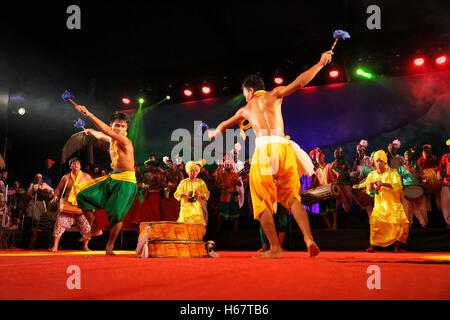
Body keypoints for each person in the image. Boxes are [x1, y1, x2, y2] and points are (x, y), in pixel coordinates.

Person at [208, 50, 333, 258]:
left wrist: (214, 132)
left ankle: (274, 249)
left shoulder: (245, 109)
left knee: (261, 200)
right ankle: (309, 239)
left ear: (249, 91)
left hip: (264, 152)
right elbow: (299, 83)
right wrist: (320, 64)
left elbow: (222, 126)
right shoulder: (274, 95)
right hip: (283, 148)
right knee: (293, 198)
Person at [74, 107, 138, 256]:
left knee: (116, 214)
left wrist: (89, 114)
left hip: (126, 182)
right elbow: (102, 135)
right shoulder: (112, 139)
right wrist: (91, 132)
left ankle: (110, 246)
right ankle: (95, 228)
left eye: (123, 126)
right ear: (112, 125)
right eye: (117, 125)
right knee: (82, 196)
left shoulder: (124, 141)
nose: (120, 129)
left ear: (127, 128)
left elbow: (107, 133)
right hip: (112, 178)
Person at [365, 150, 409, 253]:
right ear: (374, 163)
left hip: (393, 203)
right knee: (375, 222)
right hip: (380, 204)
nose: (379, 163)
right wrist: (370, 187)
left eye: (381, 161)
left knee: (403, 223)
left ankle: (398, 247)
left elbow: (398, 185)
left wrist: (383, 184)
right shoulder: (371, 175)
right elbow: (369, 192)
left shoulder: (393, 172)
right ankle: (372, 246)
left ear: (385, 162)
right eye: (377, 161)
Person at [49, 158, 93, 252]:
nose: (76, 164)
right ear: (70, 166)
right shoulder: (66, 177)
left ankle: (85, 246)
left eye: (78, 163)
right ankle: (55, 246)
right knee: (59, 223)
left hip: (82, 205)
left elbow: (93, 190)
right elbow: (58, 189)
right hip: (68, 205)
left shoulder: (87, 177)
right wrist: (56, 195)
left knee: (87, 226)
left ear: (80, 166)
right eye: (74, 163)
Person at [397, 150, 428, 228]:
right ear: (404, 157)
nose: (407, 156)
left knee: (420, 208)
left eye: (409, 155)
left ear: (411, 156)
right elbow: (399, 179)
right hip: (406, 189)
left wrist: (425, 181)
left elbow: (421, 177)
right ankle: (408, 226)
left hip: (417, 188)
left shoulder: (416, 166)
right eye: (406, 155)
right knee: (407, 209)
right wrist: (401, 188)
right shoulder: (401, 168)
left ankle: (424, 224)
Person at [174, 161, 210, 227]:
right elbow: (176, 194)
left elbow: (207, 194)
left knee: (197, 229)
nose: (195, 172)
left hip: (197, 211)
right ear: (188, 172)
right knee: (184, 228)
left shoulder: (201, 182)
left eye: (196, 170)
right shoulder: (183, 182)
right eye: (192, 170)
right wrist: (186, 194)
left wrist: (200, 195)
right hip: (185, 211)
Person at [216, 158, 242, 231]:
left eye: (229, 164)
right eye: (226, 164)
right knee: (221, 213)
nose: (228, 165)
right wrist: (222, 186)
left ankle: (235, 228)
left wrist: (237, 181)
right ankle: (218, 228)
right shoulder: (220, 173)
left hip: (233, 196)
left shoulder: (235, 173)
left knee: (236, 212)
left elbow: (239, 184)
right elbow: (216, 184)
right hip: (224, 196)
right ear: (224, 165)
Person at [315, 151, 338, 230]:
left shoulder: (329, 166)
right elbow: (315, 182)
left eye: (319, 157)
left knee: (332, 208)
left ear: (323, 158)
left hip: (330, 189)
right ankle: (328, 225)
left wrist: (336, 180)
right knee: (322, 209)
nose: (318, 159)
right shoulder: (317, 171)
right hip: (322, 191)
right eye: (317, 158)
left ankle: (335, 223)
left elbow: (337, 173)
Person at [331, 148, 355, 213]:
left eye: (338, 153)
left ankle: (348, 214)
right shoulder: (332, 164)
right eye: (336, 154)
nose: (337, 155)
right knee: (337, 202)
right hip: (338, 184)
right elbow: (332, 175)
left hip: (345, 183)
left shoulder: (345, 163)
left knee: (349, 200)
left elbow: (349, 173)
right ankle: (334, 217)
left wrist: (346, 171)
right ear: (334, 155)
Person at [437, 139, 450, 228]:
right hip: (446, 183)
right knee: (446, 205)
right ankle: (449, 223)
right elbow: (440, 167)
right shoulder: (446, 156)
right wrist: (439, 173)